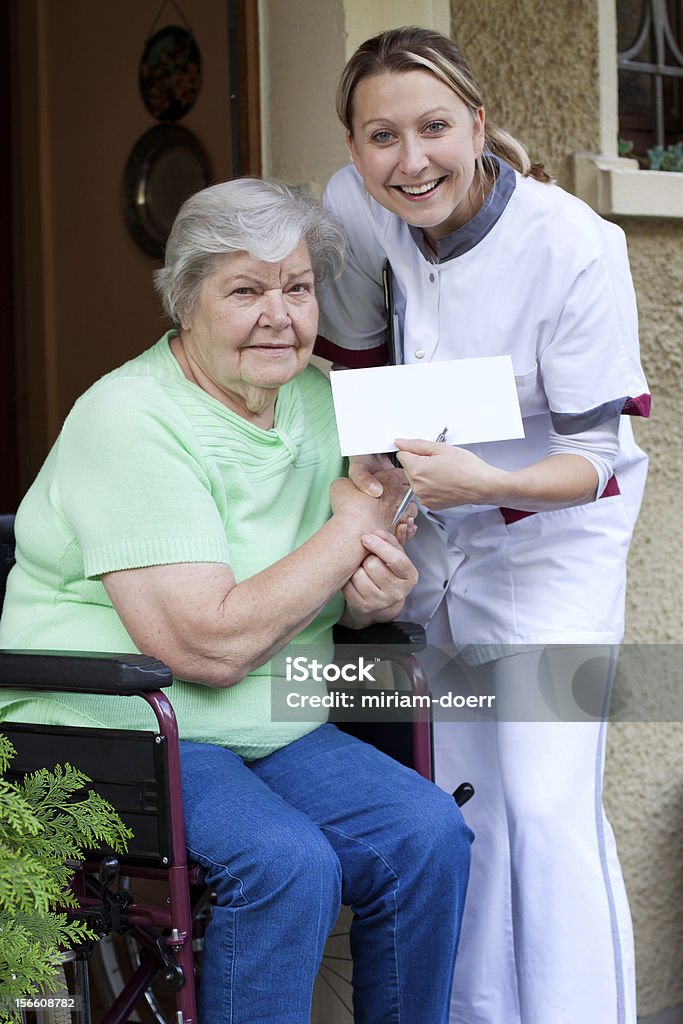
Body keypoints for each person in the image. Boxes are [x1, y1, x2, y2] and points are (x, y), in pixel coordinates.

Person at [0, 178, 473, 1024]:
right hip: (119, 724)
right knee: (285, 860)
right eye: (245, 289)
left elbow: (335, 590)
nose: (279, 314)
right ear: (185, 302)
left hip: (271, 717)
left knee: (425, 835)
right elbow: (205, 647)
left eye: (296, 287)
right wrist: (352, 528)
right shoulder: (130, 419)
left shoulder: (325, 401)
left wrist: (372, 588)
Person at [315, 26, 650, 1024]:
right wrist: (376, 494)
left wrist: (469, 483)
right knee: (469, 804)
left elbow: (594, 463)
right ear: (352, 148)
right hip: (443, 537)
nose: (408, 159)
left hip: (555, 546)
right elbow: (365, 374)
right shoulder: (354, 208)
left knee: (547, 807)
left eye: (432, 127)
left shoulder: (574, 245)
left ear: (478, 125)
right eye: (381, 135)